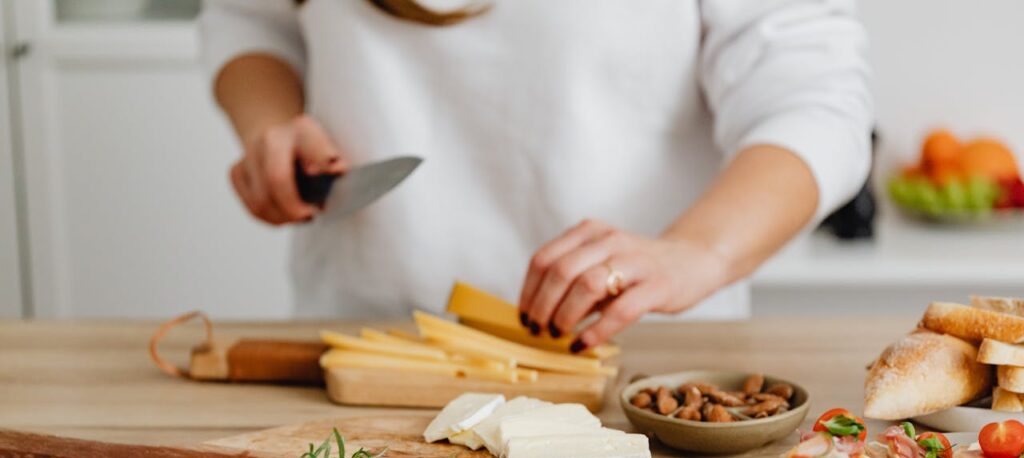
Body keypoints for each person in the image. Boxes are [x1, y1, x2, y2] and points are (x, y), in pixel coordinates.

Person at [200, 0, 871, 352]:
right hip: (365, 342)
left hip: (638, 367)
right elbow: (249, 18)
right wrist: (270, 122)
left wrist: (699, 250)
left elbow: (813, 101)